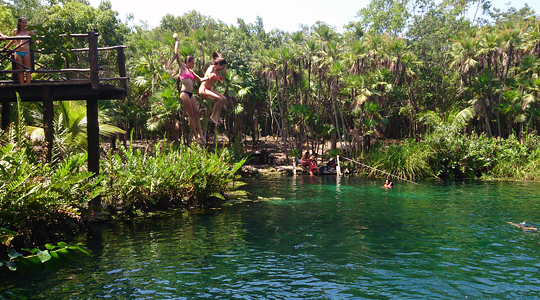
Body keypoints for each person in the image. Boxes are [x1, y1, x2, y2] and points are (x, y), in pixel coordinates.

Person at [173, 33, 205, 144]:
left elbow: (201, 79)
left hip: (191, 94)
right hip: (184, 93)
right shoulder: (182, 68)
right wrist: (176, 40)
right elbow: (176, 53)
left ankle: (200, 134)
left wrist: (211, 77)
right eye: (192, 63)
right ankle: (195, 136)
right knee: (191, 115)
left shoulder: (191, 71)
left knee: (197, 113)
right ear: (187, 62)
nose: (193, 65)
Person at [4, 17, 35, 84]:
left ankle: (28, 85)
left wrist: (41, 45)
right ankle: (21, 85)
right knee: (20, 70)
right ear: (19, 23)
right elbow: (13, 40)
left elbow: (35, 39)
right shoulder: (16, 31)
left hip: (26, 52)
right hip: (18, 52)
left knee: (27, 69)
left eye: (26, 22)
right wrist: (6, 47)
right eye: (23, 22)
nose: (25, 24)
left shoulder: (29, 31)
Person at [199, 51, 227, 125]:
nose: (223, 68)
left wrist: (224, 73)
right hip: (203, 89)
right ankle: (213, 115)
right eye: (222, 66)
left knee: (224, 99)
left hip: (209, 90)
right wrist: (210, 75)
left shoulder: (218, 71)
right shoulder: (211, 68)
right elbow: (208, 74)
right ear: (218, 64)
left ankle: (217, 116)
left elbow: (222, 81)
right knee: (219, 99)